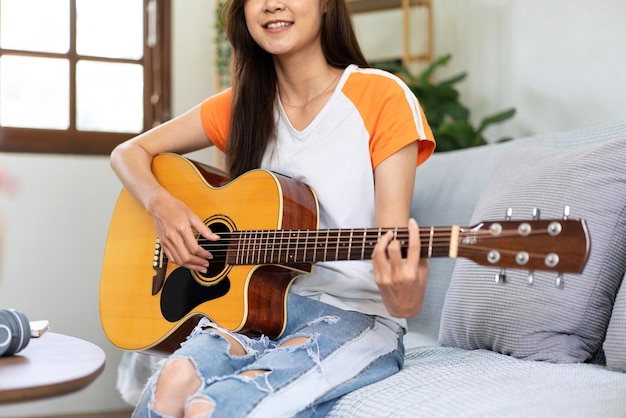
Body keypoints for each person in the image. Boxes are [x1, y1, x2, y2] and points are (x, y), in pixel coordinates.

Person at [111, 0, 435, 415]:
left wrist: (404, 296)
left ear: (326, 6)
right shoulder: (242, 106)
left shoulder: (381, 96)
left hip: (355, 314)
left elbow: (393, 255)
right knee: (171, 384)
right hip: (258, 309)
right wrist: (163, 206)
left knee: (210, 407)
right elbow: (128, 152)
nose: (272, 4)